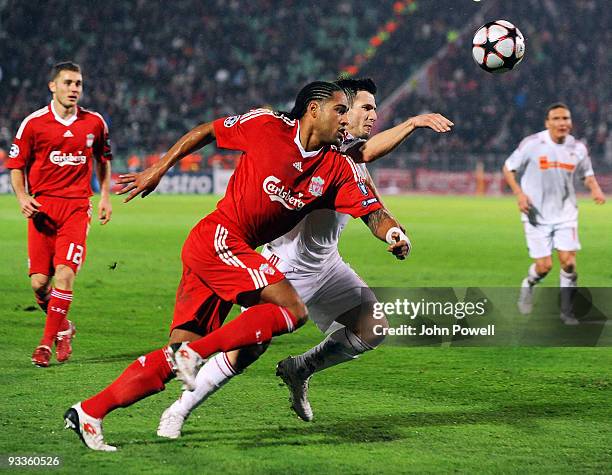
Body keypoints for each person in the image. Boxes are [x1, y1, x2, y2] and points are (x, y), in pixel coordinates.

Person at [64, 81, 411, 451]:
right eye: (341, 111)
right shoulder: (267, 125)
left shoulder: (336, 166)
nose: (346, 120)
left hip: (230, 250)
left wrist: (392, 234)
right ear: (314, 109)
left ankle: (90, 412)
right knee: (291, 311)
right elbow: (207, 131)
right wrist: (158, 168)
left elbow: (372, 211)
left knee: (171, 357)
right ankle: (193, 357)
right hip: (220, 239)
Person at [156, 77, 453, 437]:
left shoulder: (348, 157)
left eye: (371, 109)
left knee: (373, 327)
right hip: (286, 268)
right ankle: (178, 409)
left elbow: (371, 199)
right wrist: (412, 123)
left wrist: (392, 231)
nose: (371, 115)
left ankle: (301, 368)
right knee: (246, 352)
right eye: (362, 108)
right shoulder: (334, 149)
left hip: (328, 266)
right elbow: (368, 152)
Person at [7, 61, 112, 367]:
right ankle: (63, 327)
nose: (74, 89)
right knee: (40, 284)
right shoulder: (33, 123)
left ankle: (44, 344)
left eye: (78, 83)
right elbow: (16, 166)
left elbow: (103, 160)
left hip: (77, 208)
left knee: (64, 274)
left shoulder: (94, 122)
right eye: (67, 83)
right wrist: (23, 195)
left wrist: (105, 196)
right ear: (52, 86)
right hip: (42, 209)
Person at [502, 103, 605, 324]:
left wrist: (595, 188)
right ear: (547, 122)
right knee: (544, 266)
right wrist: (519, 194)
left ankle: (567, 311)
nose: (562, 123)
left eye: (565, 118)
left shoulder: (578, 148)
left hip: (565, 214)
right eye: (556, 119)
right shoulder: (532, 144)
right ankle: (529, 284)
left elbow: (587, 173)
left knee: (568, 262)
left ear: (571, 122)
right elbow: (508, 168)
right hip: (535, 216)